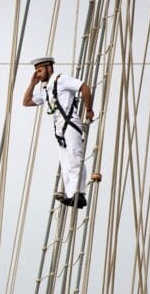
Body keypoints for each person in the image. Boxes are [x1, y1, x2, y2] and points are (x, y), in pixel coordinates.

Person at [22, 56, 98, 209]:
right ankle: (72, 194)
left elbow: (84, 87)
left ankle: (79, 193)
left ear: (49, 68)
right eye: (37, 72)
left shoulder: (61, 79)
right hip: (59, 129)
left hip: (70, 123)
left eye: (40, 70)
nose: (38, 74)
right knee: (66, 162)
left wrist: (89, 109)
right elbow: (26, 102)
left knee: (74, 155)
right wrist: (32, 83)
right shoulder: (47, 90)